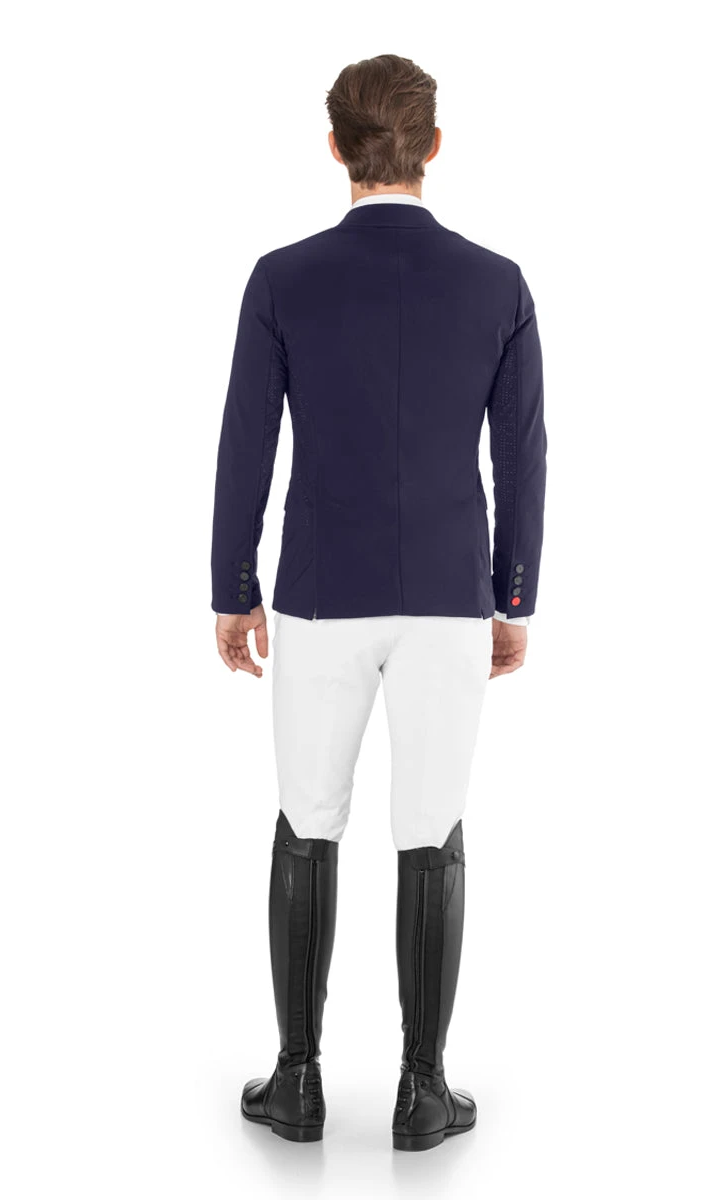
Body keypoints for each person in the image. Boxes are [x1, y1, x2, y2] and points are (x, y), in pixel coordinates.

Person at [210, 53, 546, 1152]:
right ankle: (422, 1091)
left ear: (335, 148)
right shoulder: (498, 285)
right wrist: (512, 596)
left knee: (308, 822)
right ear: (433, 147)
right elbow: (522, 457)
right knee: (430, 829)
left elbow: (246, 446)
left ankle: (297, 1082)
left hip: (318, 595)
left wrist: (232, 590)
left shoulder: (282, 280)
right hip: (449, 596)